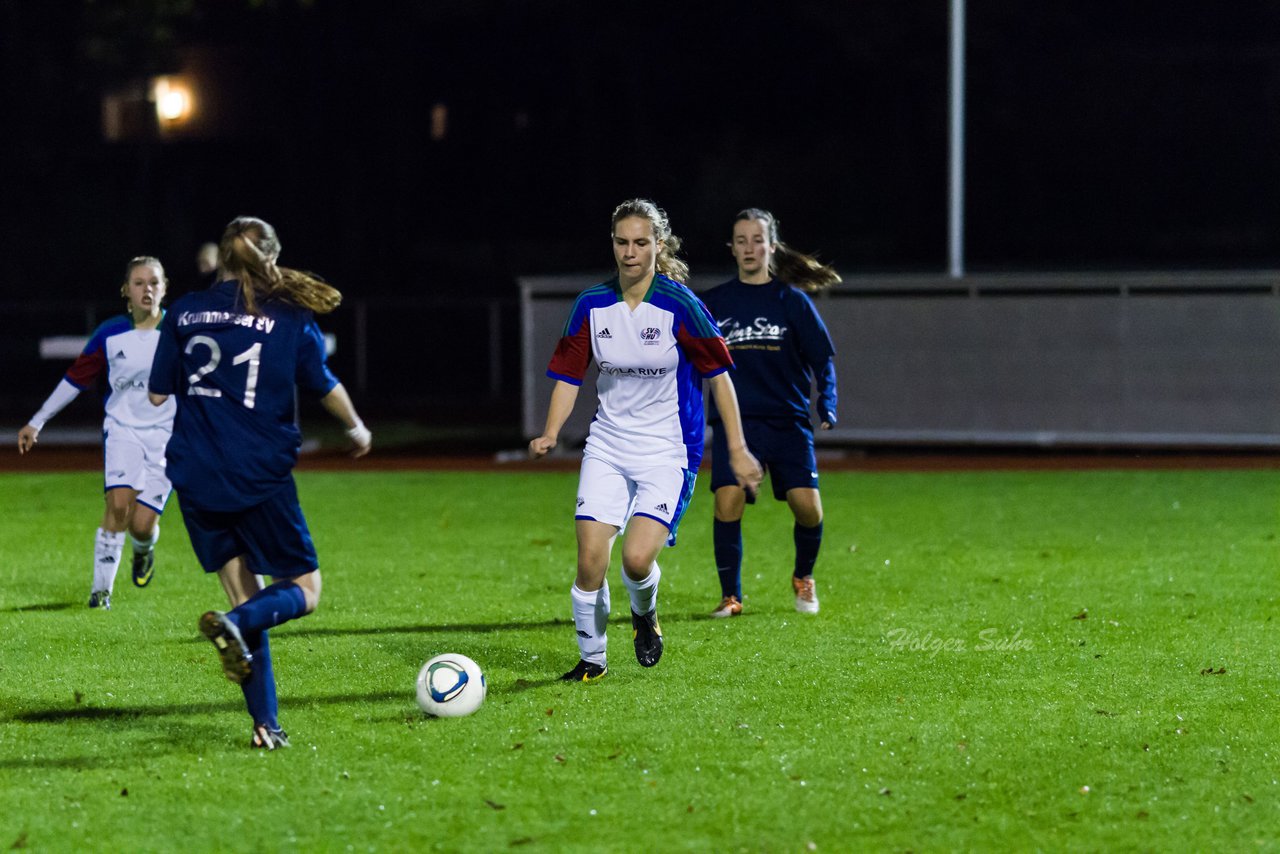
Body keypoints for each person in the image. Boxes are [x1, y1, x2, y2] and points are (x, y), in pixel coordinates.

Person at [148, 215, 371, 749]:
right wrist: (357, 426)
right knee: (303, 592)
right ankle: (234, 622)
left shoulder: (180, 313)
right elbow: (323, 383)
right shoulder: (288, 316)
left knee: (246, 602)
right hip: (257, 474)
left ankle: (266, 726)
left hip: (196, 475)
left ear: (220, 258)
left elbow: (158, 394)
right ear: (270, 257)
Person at [529, 199, 762, 682]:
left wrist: (736, 449)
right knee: (590, 560)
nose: (630, 252)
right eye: (621, 242)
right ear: (612, 244)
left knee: (636, 560)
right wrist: (551, 432)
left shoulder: (681, 305)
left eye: (640, 242)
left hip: (667, 451)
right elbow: (570, 377)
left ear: (659, 245)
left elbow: (720, 378)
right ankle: (592, 661)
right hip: (608, 446)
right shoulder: (592, 304)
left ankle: (643, 614)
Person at [700, 208, 840, 617]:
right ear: (732, 248)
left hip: (788, 421)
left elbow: (822, 358)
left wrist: (826, 400)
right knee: (728, 502)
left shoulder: (791, 301)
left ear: (771, 247)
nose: (749, 247)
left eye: (756, 239)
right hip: (736, 424)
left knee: (808, 509)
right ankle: (731, 597)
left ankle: (803, 576)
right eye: (740, 240)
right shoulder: (714, 303)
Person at [18, 257, 176, 608]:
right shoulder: (109, 333)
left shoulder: (178, 333)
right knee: (118, 505)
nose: (147, 289)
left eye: (154, 282)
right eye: (138, 283)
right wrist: (38, 420)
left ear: (165, 288)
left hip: (167, 438)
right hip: (122, 431)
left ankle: (143, 551)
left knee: (141, 525)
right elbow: (76, 378)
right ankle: (100, 592)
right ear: (126, 291)